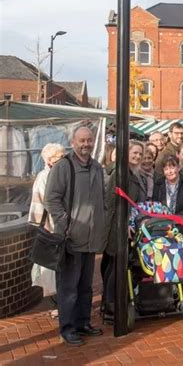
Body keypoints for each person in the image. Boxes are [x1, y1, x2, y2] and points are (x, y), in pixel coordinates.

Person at [44, 126, 106, 346]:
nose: (86, 144)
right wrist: (65, 225)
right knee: (68, 288)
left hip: (91, 239)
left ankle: (82, 322)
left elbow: (103, 200)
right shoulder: (63, 167)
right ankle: (67, 328)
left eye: (89, 140)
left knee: (86, 287)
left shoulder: (98, 168)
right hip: (70, 240)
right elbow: (51, 199)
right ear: (73, 142)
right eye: (82, 141)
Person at [103, 140, 146, 321]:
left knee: (116, 266)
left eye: (139, 154)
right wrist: (123, 225)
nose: (137, 156)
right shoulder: (120, 173)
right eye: (134, 153)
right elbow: (112, 202)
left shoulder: (133, 173)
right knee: (114, 267)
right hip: (117, 227)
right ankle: (111, 305)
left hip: (127, 227)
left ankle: (111, 303)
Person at [28, 143, 66, 315]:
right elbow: (46, 203)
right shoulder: (44, 177)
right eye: (60, 157)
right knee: (52, 266)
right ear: (50, 160)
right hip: (52, 228)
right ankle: (57, 304)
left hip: (62, 227)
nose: (63, 159)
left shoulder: (61, 174)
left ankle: (60, 302)